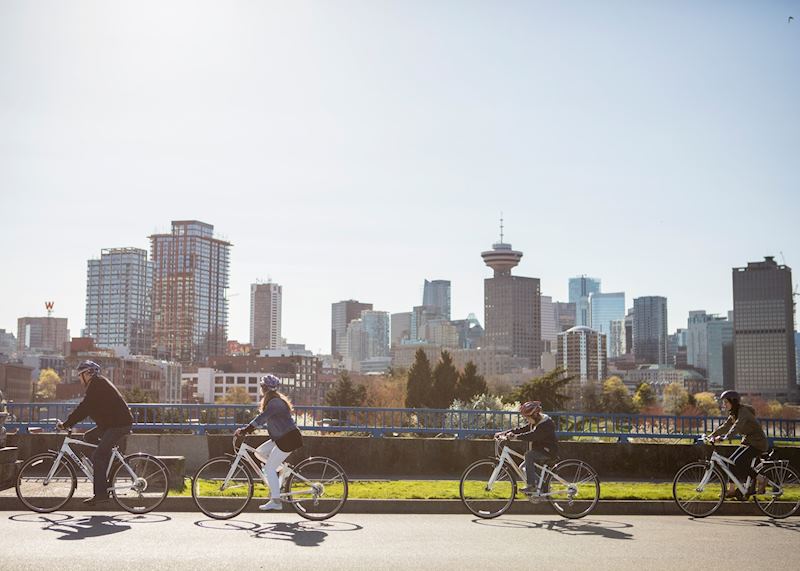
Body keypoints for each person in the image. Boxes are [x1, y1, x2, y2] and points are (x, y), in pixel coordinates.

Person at [57, 360, 134, 505]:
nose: (79, 378)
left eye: (80, 375)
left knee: (98, 456)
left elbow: (84, 408)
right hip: (112, 423)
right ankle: (111, 460)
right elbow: (87, 408)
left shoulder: (97, 385)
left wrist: (66, 424)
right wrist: (70, 422)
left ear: (88, 373)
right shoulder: (97, 384)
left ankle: (101, 494)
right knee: (89, 436)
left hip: (119, 424)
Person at [234, 374, 304, 511]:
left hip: (288, 439)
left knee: (269, 468)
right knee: (259, 453)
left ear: (265, 387)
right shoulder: (274, 400)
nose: (261, 388)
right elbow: (263, 419)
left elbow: (261, 418)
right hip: (283, 438)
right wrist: (248, 429)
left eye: (261, 386)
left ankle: (276, 501)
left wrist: (246, 430)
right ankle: (281, 471)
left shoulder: (275, 403)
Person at [707, 390, 769, 498]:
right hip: (749, 442)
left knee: (738, 461)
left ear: (733, 402)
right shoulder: (734, 413)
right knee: (731, 461)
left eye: (726, 402)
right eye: (723, 402)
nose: (724, 405)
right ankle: (731, 490)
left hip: (757, 443)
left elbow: (737, 426)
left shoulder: (743, 412)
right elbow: (725, 426)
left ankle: (761, 479)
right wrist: (710, 435)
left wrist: (724, 438)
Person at [495, 400, 558, 494]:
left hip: (548, 451)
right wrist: (504, 433)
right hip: (540, 450)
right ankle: (544, 486)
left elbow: (533, 435)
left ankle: (531, 486)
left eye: (527, 417)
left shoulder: (546, 424)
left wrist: (516, 437)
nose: (526, 420)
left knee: (529, 455)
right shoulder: (536, 421)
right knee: (522, 468)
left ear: (534, 415)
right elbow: (522, 429)